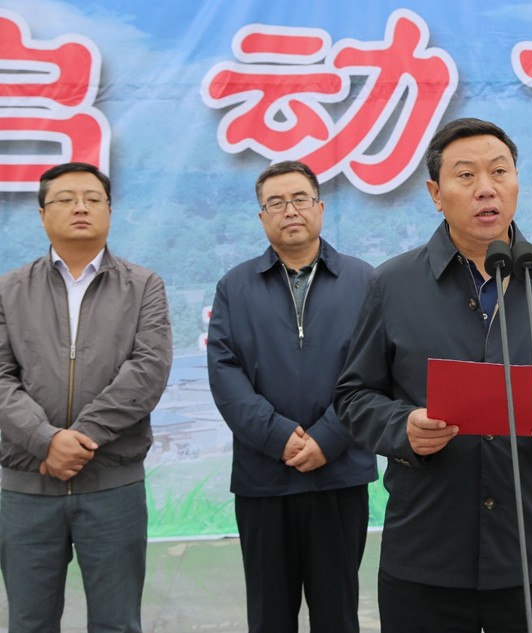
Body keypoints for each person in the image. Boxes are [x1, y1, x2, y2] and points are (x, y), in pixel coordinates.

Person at [334, 117, 532, 632]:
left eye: (499, 171)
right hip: (427, 550)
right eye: (466, 175)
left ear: (516, 183)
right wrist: (403, 427)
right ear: (436, 193)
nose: (486, 188)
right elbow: (354, 395)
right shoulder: (392, 284)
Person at [0, 162, 173, 632]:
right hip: (27, 489)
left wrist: (79, 439)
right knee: (29, 623)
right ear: (42, 214)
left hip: (113, 485)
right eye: (66, 199)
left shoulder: (143, 286)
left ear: (109, 212)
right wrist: (45, 440)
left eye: (93, 199)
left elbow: (148, 371)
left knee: (117, 624)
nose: (81, 207)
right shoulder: (9, 290)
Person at [206, 160, 376, 633]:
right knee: (269, 616)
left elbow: (375, 372)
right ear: (262, 218)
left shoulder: (364, 281)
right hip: (264, 478)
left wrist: (328, 438)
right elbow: (225, 374)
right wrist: (278, 436)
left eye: (300, 198)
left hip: (339, 475)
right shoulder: (234, 286)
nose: (290, 210)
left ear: (319, 208)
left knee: (337, 614)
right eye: (276, 203)